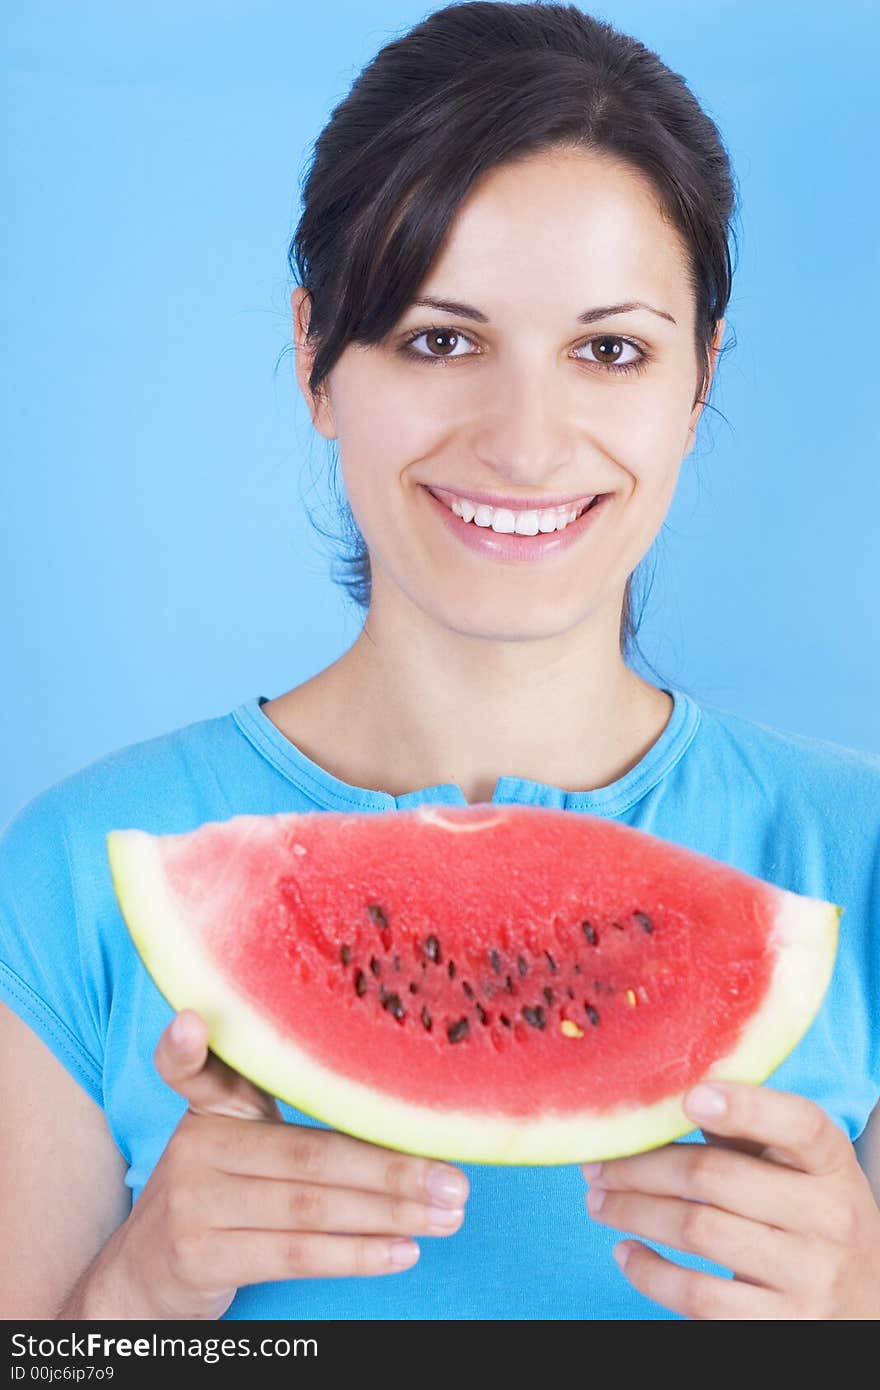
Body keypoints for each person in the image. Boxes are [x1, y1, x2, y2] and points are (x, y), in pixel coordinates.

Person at [1, 0, 879, 1322]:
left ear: (697, 383)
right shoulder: (80, 873)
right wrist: (142, 1287)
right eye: (439, 337)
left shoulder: (855, 864)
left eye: (610, 349)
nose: (526, 443)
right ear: (315, 357)